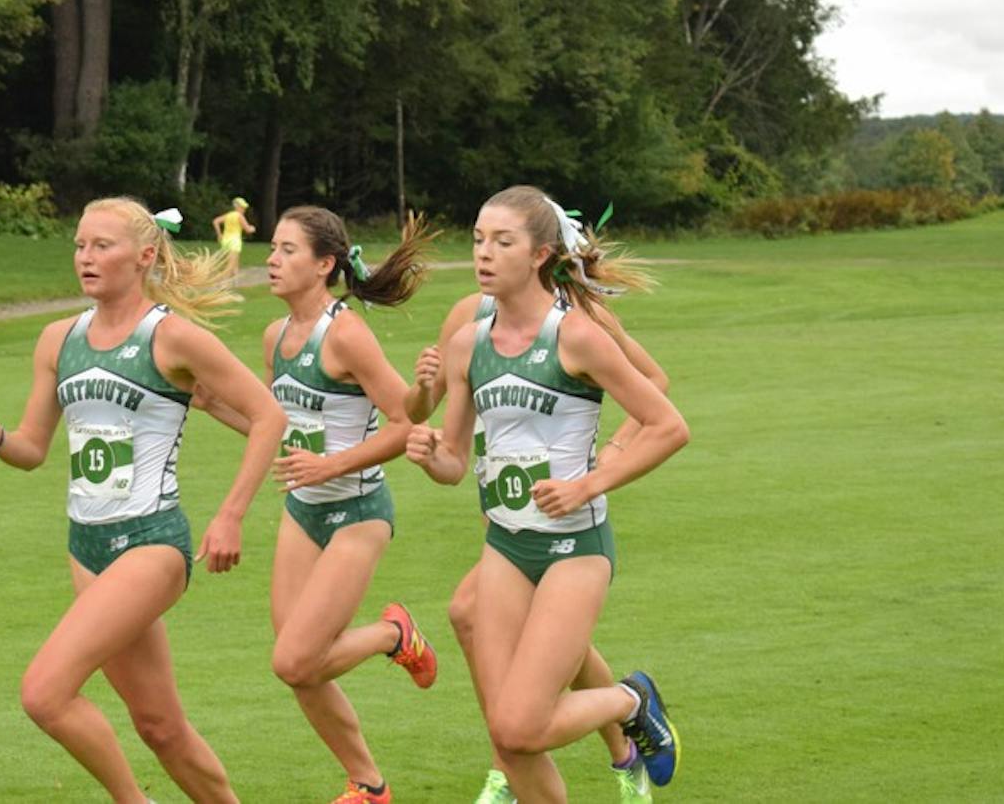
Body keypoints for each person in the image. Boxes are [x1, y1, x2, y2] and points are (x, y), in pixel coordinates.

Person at [0, 197, 285, 804]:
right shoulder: (59, 339)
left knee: (45, 692)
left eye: (101, 246)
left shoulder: (172, 338)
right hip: (86, 547)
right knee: (160, 727)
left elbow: (269, 416)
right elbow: (34, 447)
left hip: (151, 543)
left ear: (142, 256)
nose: (85, 257)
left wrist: (230, 514)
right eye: (80, 245)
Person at [406, 185, 689, 804]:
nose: (483, 253)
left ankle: (631, 698)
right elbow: (455, 462)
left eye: (501, 242)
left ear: (538, 254)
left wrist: (591, 480)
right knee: (511, 741)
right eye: (479, 239)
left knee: (519, 726)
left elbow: (669, 425)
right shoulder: (466, 344)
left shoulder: (578, 335)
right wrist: (431, 455)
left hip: (574, 550)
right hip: (506, 547)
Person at [197, 208, 441, 804]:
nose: (271, 260)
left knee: (294, 660)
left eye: (286, 251)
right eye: (272, 249)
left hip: (357, 513)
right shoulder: (274, 338)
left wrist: (330, 465)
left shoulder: (347, 332)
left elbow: (403, 423)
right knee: (303, 669)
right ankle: (368, 784)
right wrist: (211, 405)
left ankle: (394, 633)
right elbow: (275, 430)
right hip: (303, 513)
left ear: (325, 264)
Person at [212, 197, 255, 278]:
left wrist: (219, 234)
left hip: (225, 240)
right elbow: (248, 229)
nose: (244, 210)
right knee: (231, 266)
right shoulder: (240, 216)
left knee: (233, 264)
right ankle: (224, 282)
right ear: (238, 207)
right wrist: (253, 228)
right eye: (242, 207)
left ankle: (235, 282)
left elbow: (215, 221)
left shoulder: (229, 215)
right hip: (235, 241)